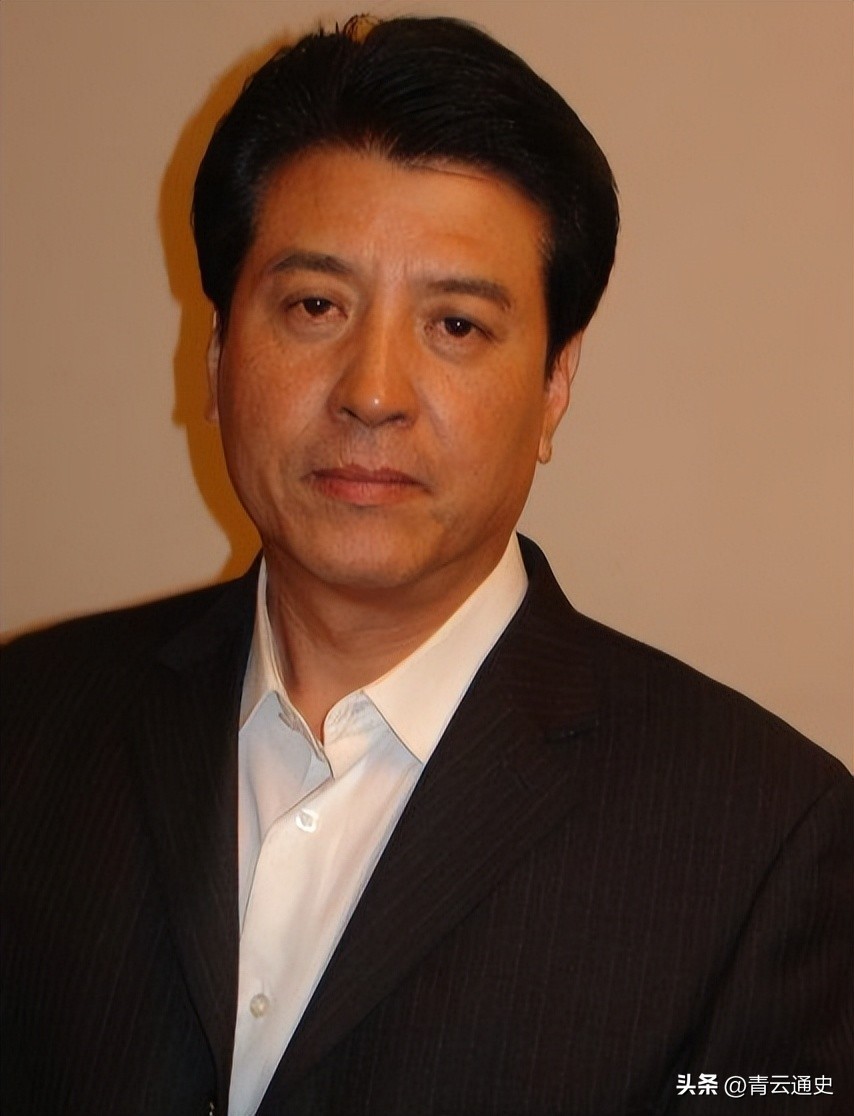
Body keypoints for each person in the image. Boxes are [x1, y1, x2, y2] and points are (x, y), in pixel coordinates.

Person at [1, 14, 850, 1116]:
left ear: (554, 386)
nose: (372, 391)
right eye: (315, 306)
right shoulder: (30, 722)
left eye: (455, 325)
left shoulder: (767, 841)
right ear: (214, 356)